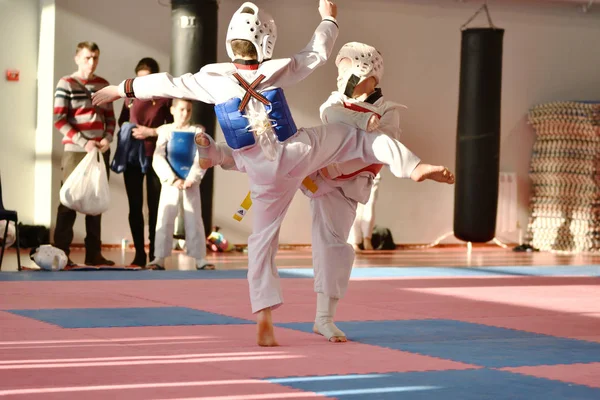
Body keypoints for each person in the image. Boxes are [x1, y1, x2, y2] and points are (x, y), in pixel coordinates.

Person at [92, 0, 449, 347]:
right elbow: (317, 53)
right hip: (295, 153)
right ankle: (413, 166)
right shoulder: (276, 68)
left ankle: (264, 314)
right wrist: (329, 19)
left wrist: (119, 89)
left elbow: (168, 83)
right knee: (359, 139)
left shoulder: (212, 77)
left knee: (261, 243)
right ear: (266, 42)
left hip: (262, 172)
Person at [302, 42, 454, 342]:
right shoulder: (335, 102)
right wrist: (360, 120)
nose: (345, 78)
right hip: (318, 175)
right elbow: (330, 115)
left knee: (334, 249)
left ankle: (324, 318)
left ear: (371, 75)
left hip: (350, 186)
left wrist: (366, 124)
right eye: (342, 70)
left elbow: (377, 148)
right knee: (282, 155)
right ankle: (232, 157)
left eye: (351, 71)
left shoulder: (388, 112)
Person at [53, 41, 115, 267]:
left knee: (96, 201)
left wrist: (107, 139)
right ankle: (61, 254)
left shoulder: (103, 84)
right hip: (75, 151)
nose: (92, 62)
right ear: (77, 58)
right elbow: (59, 119)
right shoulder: (66, 83)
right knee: (68, 201)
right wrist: (83, 142)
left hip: (99, 151)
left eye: (95, 58)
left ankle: (93, 253)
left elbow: (110, 119)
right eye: (88, 57)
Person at [115, 58, 173, 267]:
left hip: (157, 156)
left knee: (156, 207)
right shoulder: (129, 98)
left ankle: (155, 255)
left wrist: (151, 132)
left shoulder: (165, 99)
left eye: (147, 79)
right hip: (133, 157)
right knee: (135, 206)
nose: (142, 84)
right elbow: (121, 121)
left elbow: (173, 127)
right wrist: (129, 128)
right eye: (139, 80)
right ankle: (139, 253)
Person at [148, 99, 215, 271]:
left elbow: (202, 155)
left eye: (188, 110)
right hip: (171, 182)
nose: (185, 113)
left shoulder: (197, 131)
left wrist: (192, 177)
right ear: (172, 110)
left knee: (194, 219)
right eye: (181, 109)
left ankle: (200, 258)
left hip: (190, 183)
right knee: (165, 217)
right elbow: (158, 156)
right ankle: (159, 258)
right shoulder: (166, 131)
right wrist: (172, 179)